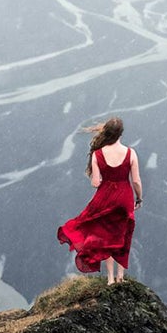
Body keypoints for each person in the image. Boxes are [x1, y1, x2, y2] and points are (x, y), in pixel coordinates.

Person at [57, 116, 143, 285]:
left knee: (106, 237)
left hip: (105, 197)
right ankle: (120, 276)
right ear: (121, 134)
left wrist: (102, 179)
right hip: (125, 196)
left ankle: (110, 278)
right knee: (123, 234)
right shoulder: (130, 153)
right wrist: (139, 198)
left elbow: (96, 182)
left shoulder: (97, 154)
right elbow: (136, 181)